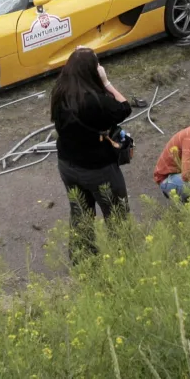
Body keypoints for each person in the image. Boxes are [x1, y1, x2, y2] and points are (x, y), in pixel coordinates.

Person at [51, 47, 133, 260]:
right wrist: (106, 83)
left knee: (80, 213)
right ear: (92, 71)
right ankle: (124, 258)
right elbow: (124, 108)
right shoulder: (94, 102)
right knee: (117, 214)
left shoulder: (59, 93)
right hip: (98, 169)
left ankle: (83, 259)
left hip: (67, 164)